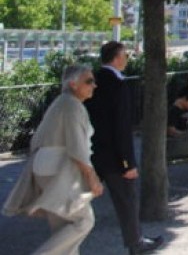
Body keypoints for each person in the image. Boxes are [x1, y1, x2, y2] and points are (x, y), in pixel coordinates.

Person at [4, 65, 104, 255]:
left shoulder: (63, 102)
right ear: (74, 84)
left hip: (47, 168)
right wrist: (92, 178)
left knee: (64, 227)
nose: (94, 85)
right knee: (83, 220)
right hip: (58, 170)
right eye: (89, 81)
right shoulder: (71, 106)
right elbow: (77, 147)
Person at [84, 41, 164, 254]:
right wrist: (128, 162)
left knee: (82, 199)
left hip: (93, 151)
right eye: (125, 56)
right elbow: (121, 127)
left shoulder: (93, 81)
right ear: (117, 58)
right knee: (127, 201)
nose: (127, 60)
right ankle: (135, 242)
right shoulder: (119, 84)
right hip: (115, 157)